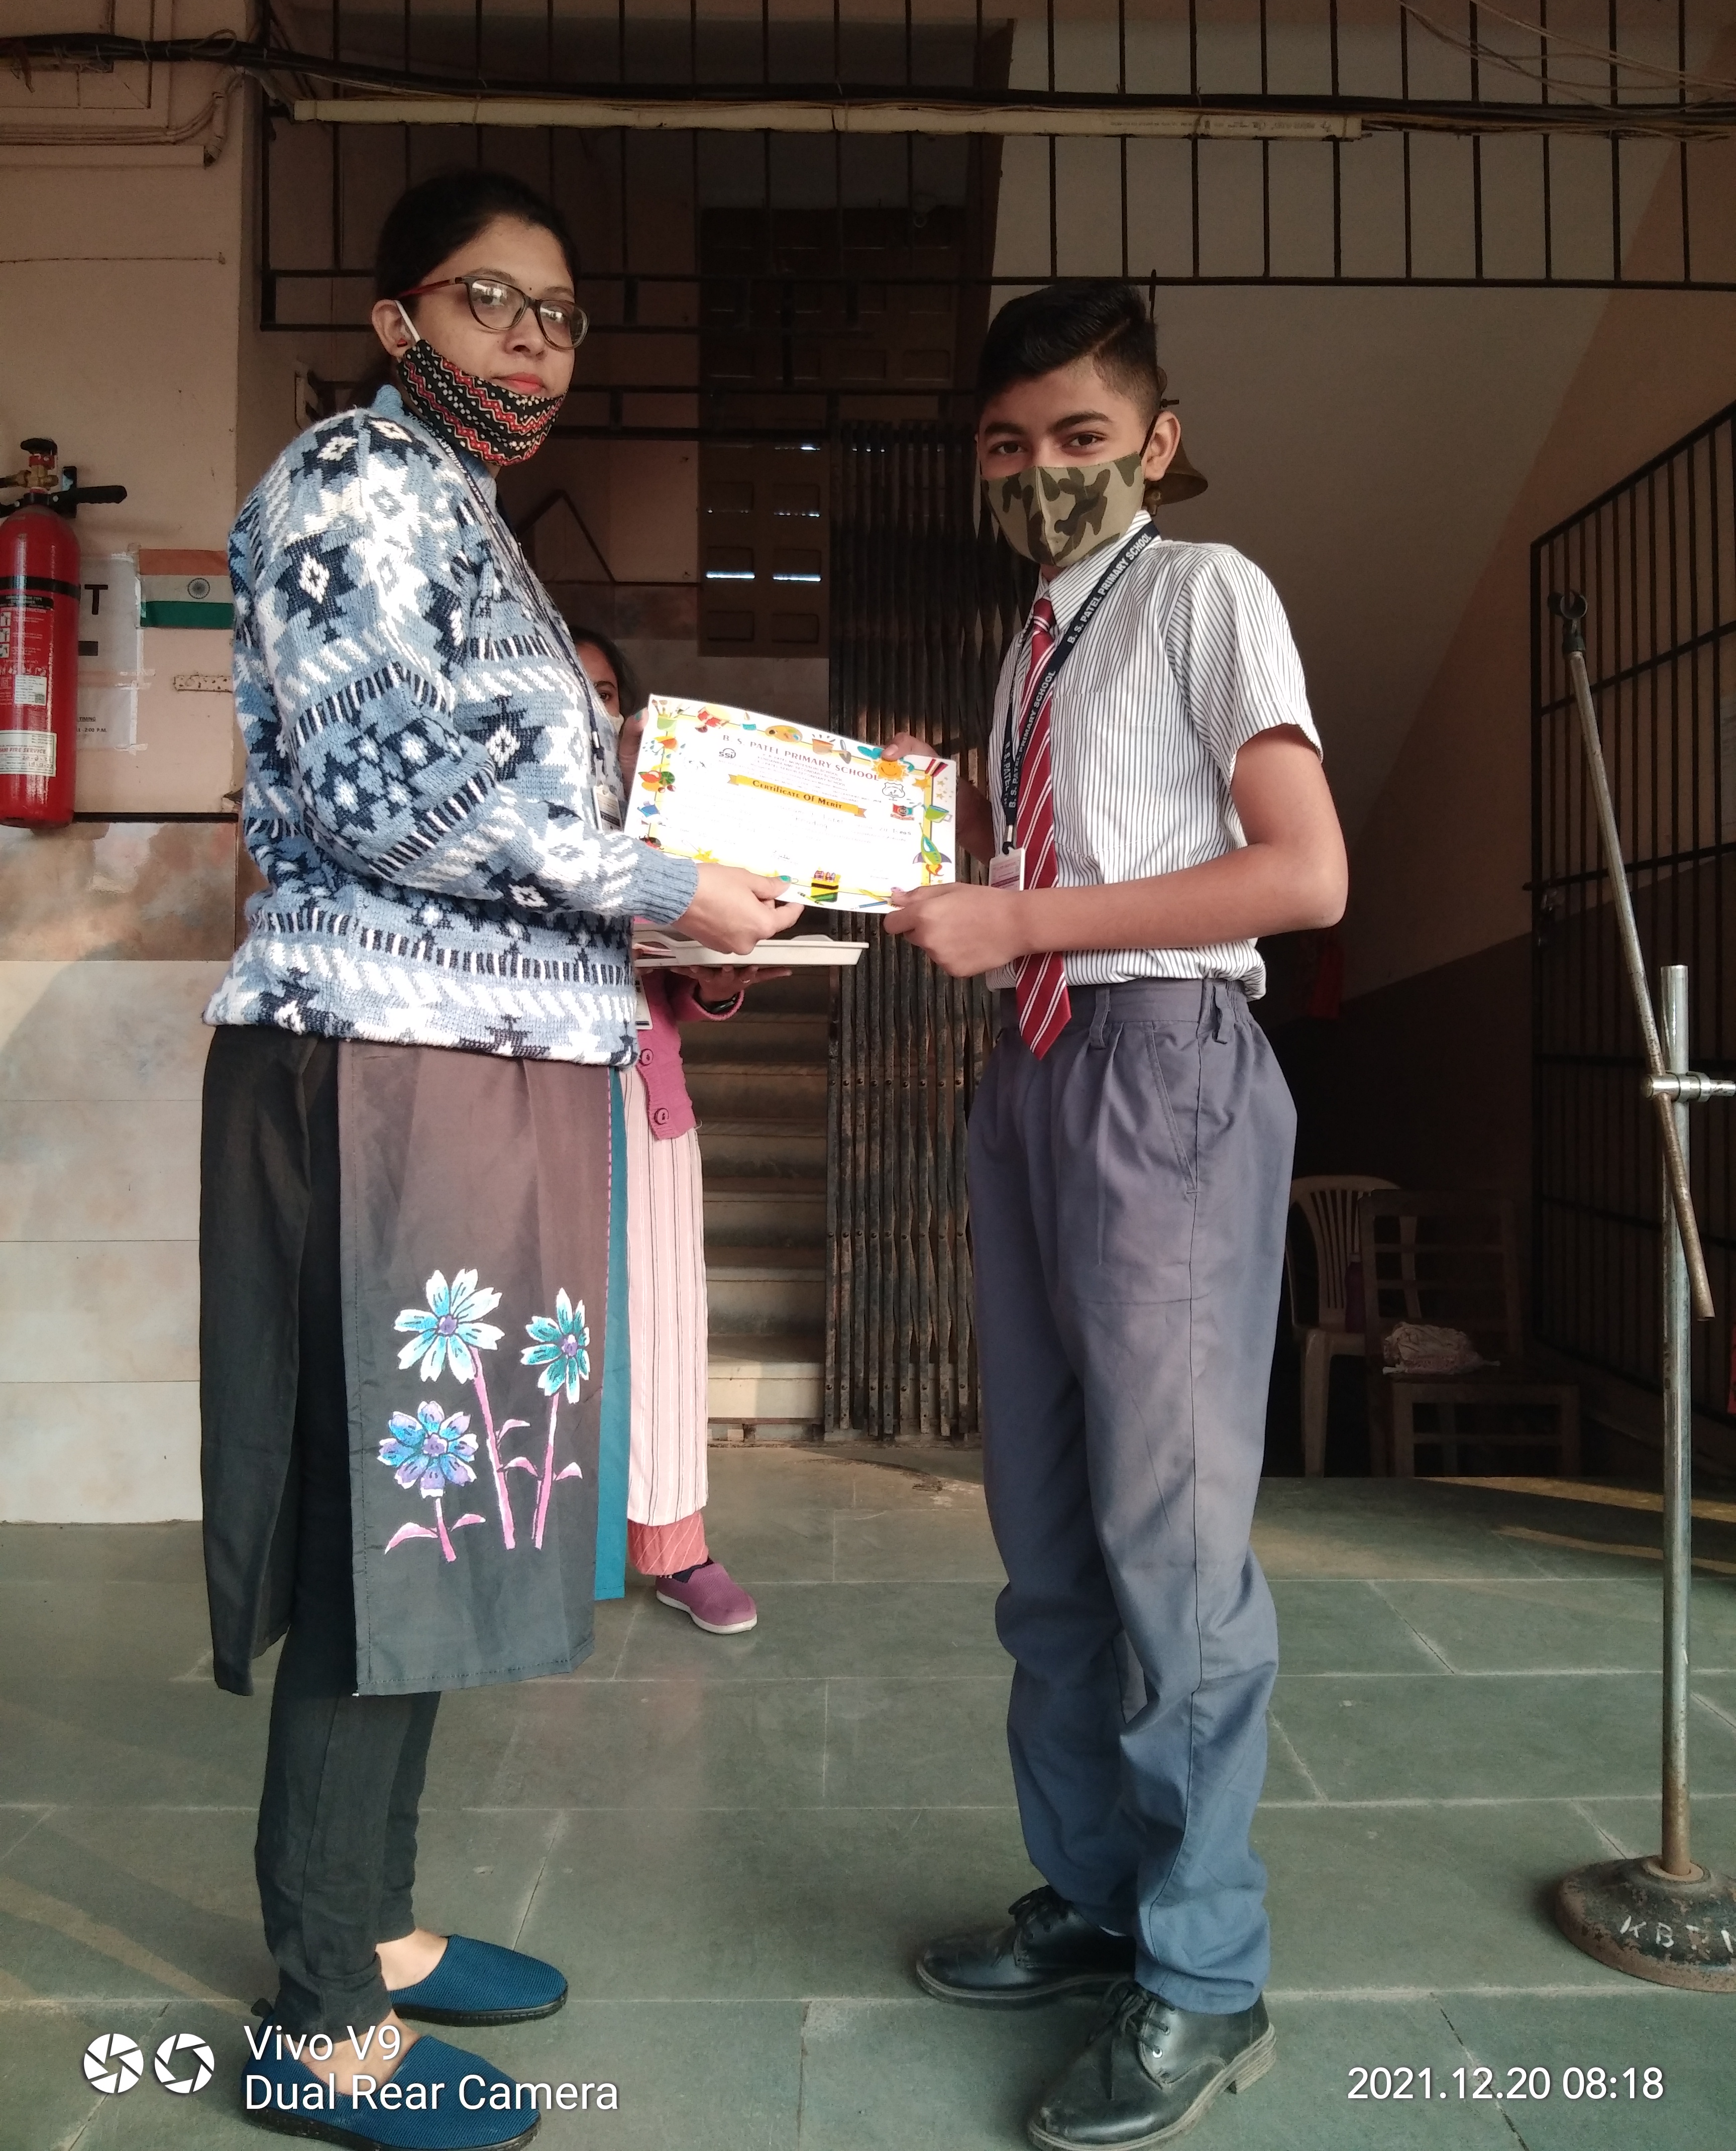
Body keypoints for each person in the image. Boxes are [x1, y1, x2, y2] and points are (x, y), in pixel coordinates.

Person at [200, 167, 797, 2147]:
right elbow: (390, 791)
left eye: (556, 314)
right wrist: (660, 878)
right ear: (397, 321)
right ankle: (317, 2015)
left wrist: (660, 920)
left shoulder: (459, 515)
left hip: (479, 1058)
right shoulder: (360, 484)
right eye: (487, 302)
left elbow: (505, 824)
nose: (530, 344)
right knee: (385, 1522)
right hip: (389, 1062)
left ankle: (370, 1922)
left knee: (438, 1515)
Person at [885, 281, 1347, 2151]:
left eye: (1079, 437)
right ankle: (1093, 1891)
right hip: (1036, 1073)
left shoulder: (1202, 591)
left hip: (1162, 1069)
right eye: (1007, 445)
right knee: (1049, 1534)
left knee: (1171, 1547)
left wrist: (1024, 918)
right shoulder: (1033, 645)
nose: (1042, 472)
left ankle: (1207, 1971)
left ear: (1155, 441)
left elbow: (1303, 872)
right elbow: (1062, 864)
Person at [567, 629, 766, 1634]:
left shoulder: (663, 831)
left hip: (643, 1107)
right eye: (575, 690)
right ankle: (540, 1539)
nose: (595, 710)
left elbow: (695, 993)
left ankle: (677, 1548)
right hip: (531, 1106)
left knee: (663, 1331)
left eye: (608, 693)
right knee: (539, 1329)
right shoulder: (515, 822)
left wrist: (721, 971)